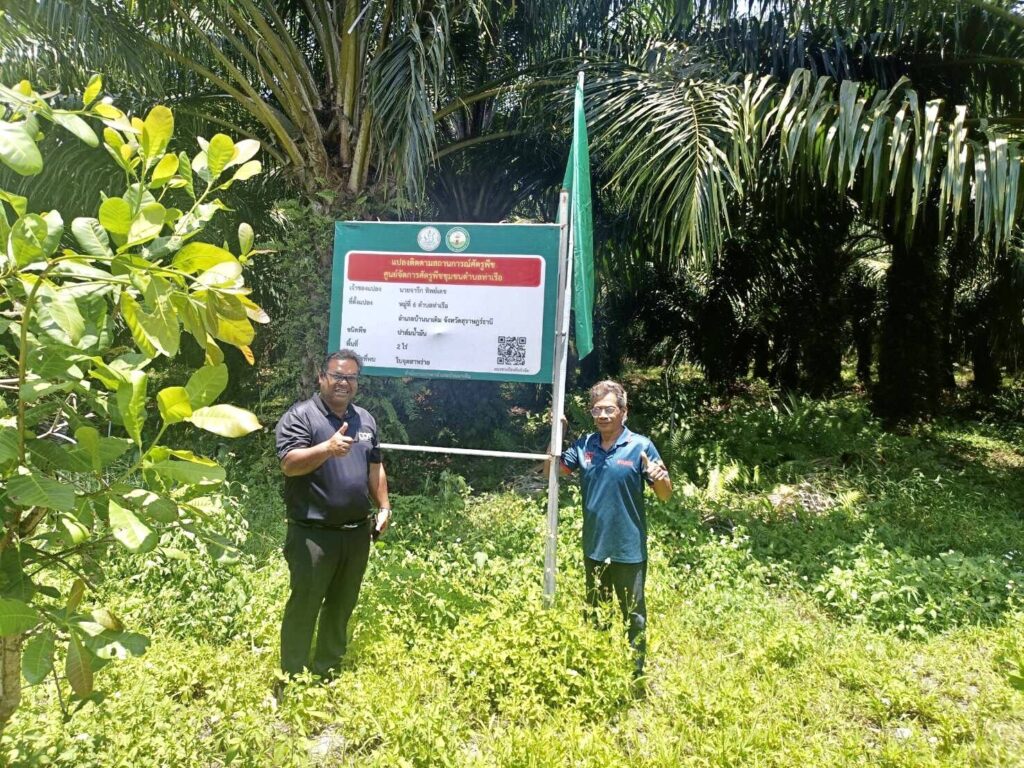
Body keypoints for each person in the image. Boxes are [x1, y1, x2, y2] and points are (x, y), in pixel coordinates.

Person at [275, 349, 392, 678]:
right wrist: (326, 448)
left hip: (356, 535)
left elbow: (375, 466)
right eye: (338, 376)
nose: (344, 382)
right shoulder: (301, 417)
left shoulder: (365, 419)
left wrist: (384, 506)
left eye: (351, 377)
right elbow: (289, 465)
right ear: (322, 377)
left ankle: (327, 671)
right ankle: (292, 677)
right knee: (305, 606)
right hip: (313, 535)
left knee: (341, 605)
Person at [559, 380, 672, 681]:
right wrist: (556, 434)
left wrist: (658, 476)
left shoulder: (641, 446)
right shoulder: (584, 445)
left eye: (609, 409)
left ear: (624, 411)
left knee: (633, 614)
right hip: (594, 546)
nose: (603, 415)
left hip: (628, 548)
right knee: (596, 611)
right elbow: (552, 471)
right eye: (597, 409)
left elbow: (665, 494)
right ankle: (598, 670)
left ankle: (635, 674)